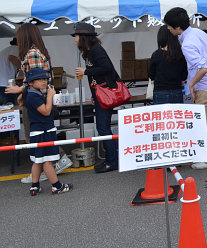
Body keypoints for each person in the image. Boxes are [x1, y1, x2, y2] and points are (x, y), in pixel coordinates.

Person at [5, 24, 73, 183]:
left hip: (37, 102)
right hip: (39, 100)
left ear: (24, 37)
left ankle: (55, 164)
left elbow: (36, 81)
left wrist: (20, 89)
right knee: (42, 135)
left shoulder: (32, 54)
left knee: (34, 137)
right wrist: (23, 91)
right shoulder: (38, 52)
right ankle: (50, 167)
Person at [164, 7, 207, 169]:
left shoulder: (187, 44)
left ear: (177, 27)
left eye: (169, 26)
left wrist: (191, 84)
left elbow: (202, 68)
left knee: (206, 123)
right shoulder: (199, 33)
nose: (168, 28)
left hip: (204, 86)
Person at [73, 22, 120, 173]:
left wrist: (86, 70)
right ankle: (111, 160)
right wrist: (94, 95)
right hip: (101, 94)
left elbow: (106, 68)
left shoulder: (96, 50)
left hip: (106, 94)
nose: (75, 39)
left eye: (76, 36)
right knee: (103, 127)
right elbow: (97, 75)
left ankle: (112, 161)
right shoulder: (90, 51)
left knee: (103, 127)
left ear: (84, 37)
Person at [23, 68, 73, 196]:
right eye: (39, 80)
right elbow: (45, 111)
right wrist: (50, 96)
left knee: (37, 160)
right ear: (30, 82)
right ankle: (57, 186)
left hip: (37, 131)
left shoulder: (32, 94)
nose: (43, 82)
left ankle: (34, 186)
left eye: (44, 79)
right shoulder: (33, 96)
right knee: (47, 161)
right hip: (44, 131)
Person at [149, 25, 188, 105]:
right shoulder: (180, 54)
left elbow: (151, 75)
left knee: (162, 117)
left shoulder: (156, 54)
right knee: (177, 117)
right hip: (177, 91)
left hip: (160, 92)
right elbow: (184, 76)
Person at [0, 37, 20, 105]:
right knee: (10, 108)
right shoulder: (16, 48)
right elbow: (11, 57)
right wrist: (24, 68)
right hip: (5, 84)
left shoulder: (7, 50)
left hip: (2, 83)